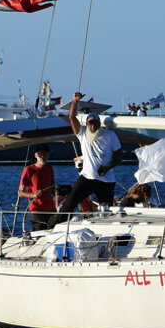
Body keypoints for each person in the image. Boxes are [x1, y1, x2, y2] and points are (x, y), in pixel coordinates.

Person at [51, 92, 123, 227]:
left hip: (106, 180)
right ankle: (52, 228)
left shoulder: (110, 135)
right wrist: (74, 102)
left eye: (95, 123)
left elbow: (119, 155)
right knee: (68, 205)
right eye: (90, 123)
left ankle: (107, 232)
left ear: (99, 124)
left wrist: (108, 167)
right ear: (87, 124)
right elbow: (72, 117)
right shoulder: (83, 133)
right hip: (87, 178)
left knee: (107, 211)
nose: (93, 126)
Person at [17, 144, 56, 232]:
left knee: (53, 236)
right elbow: (20, 192)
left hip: (51, 210)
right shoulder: (29, 170)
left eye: (45, 154)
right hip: (37, 211)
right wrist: (33, 194)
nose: (43, 156)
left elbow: (53, 188)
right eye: (40, 154)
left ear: (48, 155)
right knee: (39, 238)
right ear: (35, 155)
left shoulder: (49, 169)